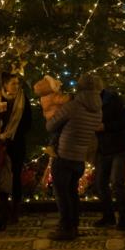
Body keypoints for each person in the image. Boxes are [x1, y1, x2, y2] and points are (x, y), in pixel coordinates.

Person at [45, 73, 102, 241]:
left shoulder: (73, 106)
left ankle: (65, 228)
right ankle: (74, 226)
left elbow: (50, 125)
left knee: (62, 194)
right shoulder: (98, 109)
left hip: (63, 155)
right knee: (72, 193)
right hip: (79, 158)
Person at [0, 71, 32, 225]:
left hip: (16, 143)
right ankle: (4, 210)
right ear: (5, 85)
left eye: (18, 83)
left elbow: (28, 123)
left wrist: (13, 133)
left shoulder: (23, 100)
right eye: (13, 83)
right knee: (2, 176)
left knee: (16, 176)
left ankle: (15, 211)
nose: (16, 86)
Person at [95, 87, 125, 230]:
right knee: (100, 183)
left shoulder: (115, 100)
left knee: (117, 182)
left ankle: (124, 219)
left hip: (120, 147)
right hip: (103, 148)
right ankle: (108, 216)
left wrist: (105, 126)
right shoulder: (88, 102)